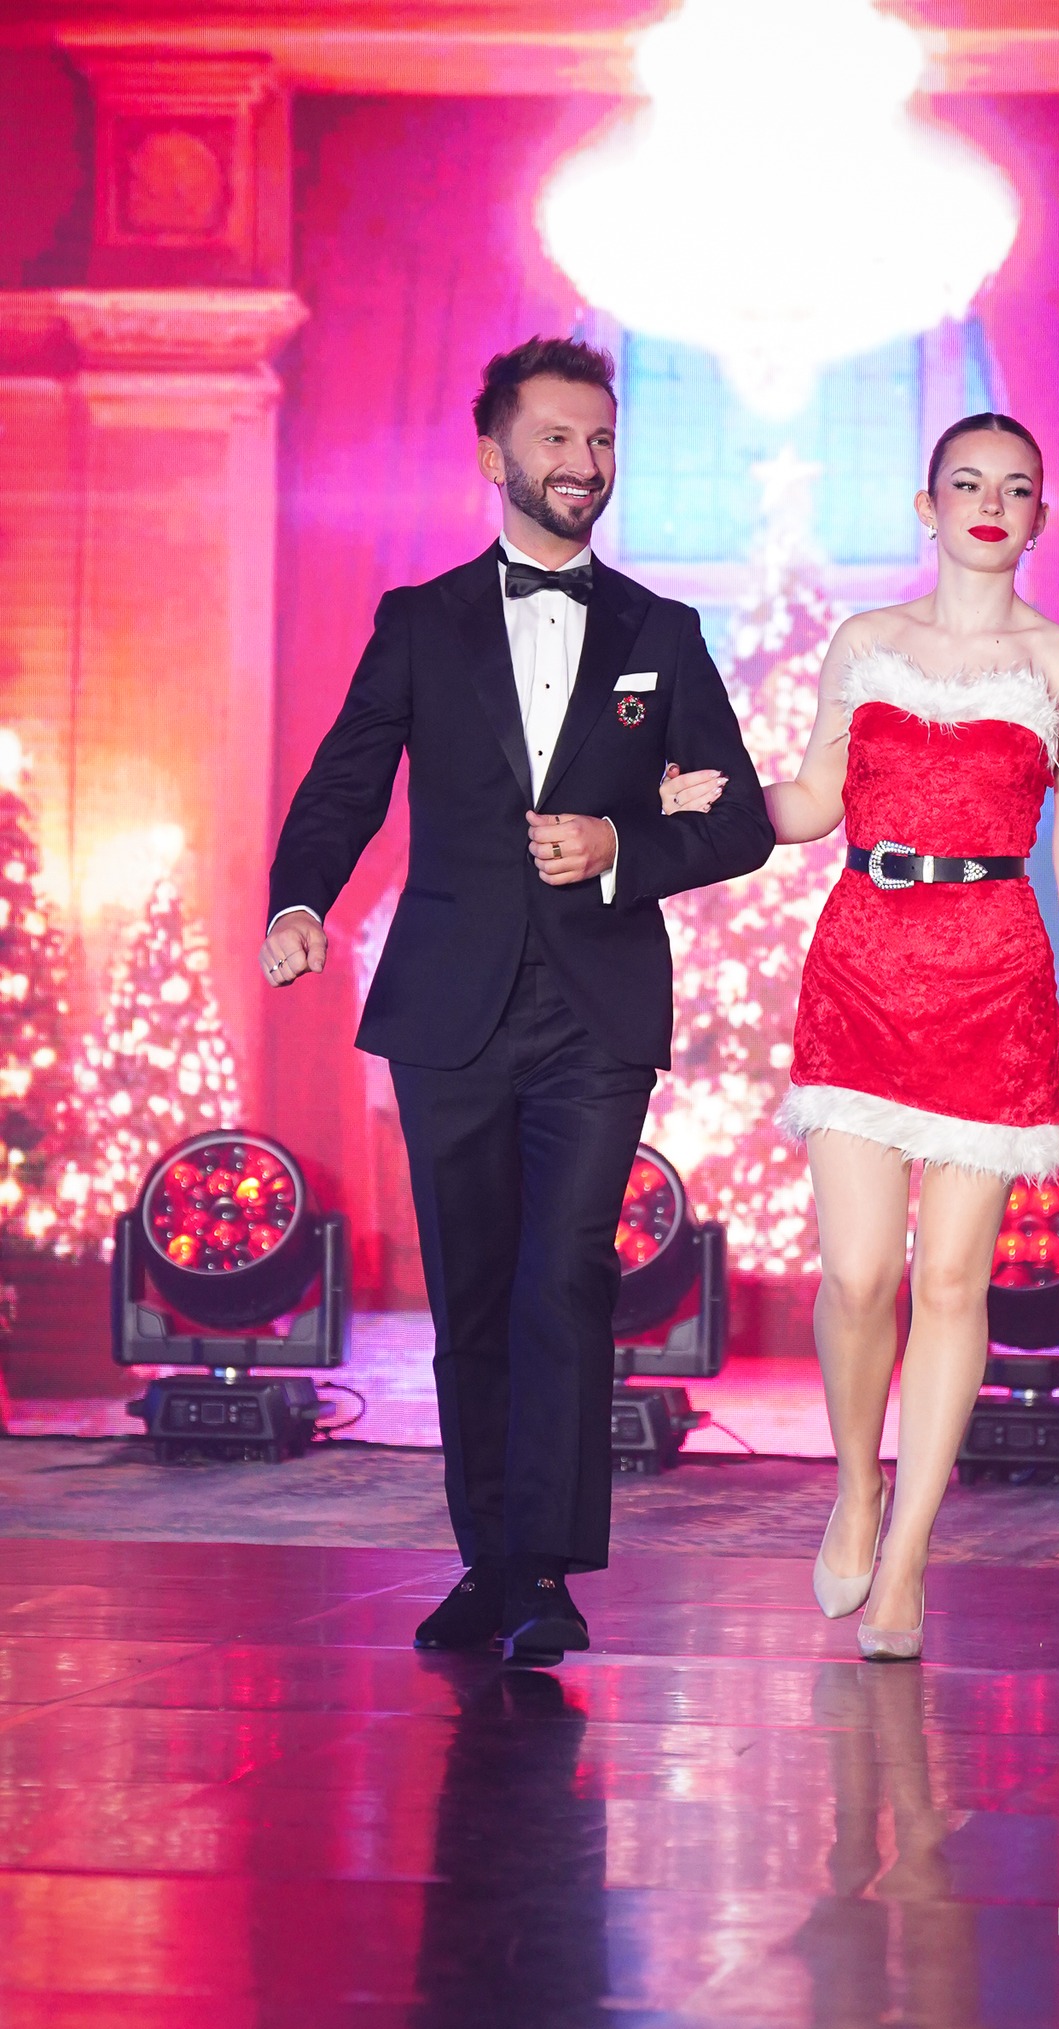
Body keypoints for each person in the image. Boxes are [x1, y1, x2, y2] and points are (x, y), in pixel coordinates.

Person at [261, 336, 774, 1664]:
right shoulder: (420, 621)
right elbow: (346, 780)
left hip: (595, 1011)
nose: (583, 462)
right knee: (474, 1295)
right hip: (449, 1005)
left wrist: (619, 847)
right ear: (495, 456)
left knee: (565, 1279)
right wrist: (300, 900)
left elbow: (736, 817)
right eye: (556, 438)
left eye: (600, 441)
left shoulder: (662, 633)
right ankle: (489, 1563)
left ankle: (541, 1572)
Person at [764, 412, 1059, 1659]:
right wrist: (717, 800)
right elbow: (814, 799)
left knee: (954, 1280)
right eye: (966, 482)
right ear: (927, 505)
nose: (989, 503)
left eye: (1015, 487)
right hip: (861, 960)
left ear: (1039, 517)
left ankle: (908, 1552)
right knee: (861, 1273)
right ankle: (857, 1483)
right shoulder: (867, 642)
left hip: (997, 974)